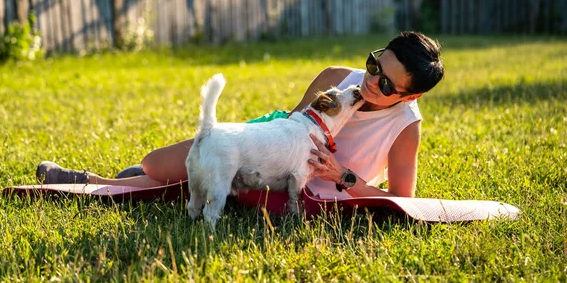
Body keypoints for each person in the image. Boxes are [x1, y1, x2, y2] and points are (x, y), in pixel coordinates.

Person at [36, 31, 444, 199]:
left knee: (182, 186)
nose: (373, 83)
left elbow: (401, 203)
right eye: (376, 66)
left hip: (303, 194)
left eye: (388, 85)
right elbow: (292, 128)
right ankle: (128, 179)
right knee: (158, 164)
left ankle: (93, 183)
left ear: (412, 96)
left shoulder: (406, 127)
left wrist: (342, 176)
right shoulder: (337, 79)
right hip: (266, 148)